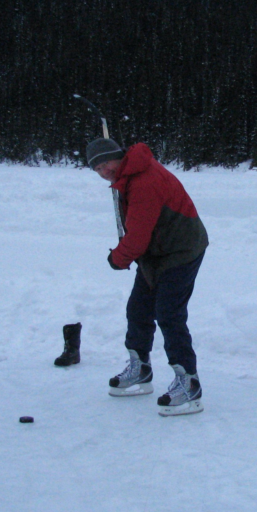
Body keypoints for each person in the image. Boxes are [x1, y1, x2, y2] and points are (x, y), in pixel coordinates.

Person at [87, 137, 209, 416]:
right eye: (97, 169)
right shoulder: (129, 175)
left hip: (180, 249)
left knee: (168, 313)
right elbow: (140, 232)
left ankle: (189, 383)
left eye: (106, 164)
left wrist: (118, 258)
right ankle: (140, 368)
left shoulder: (143, 181)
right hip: (157, 250)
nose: (104, 171)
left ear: (118, 157)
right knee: (139, 309)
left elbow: (138, 236)